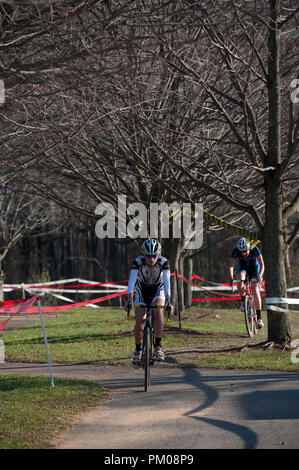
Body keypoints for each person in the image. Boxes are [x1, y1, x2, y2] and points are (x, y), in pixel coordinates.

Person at [126, 238, 172, 367]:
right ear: (143, 254)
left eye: (154, 256)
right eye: (148, 256)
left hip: (158, 289)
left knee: (158, 312)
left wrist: (168, 300)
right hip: (142, 290)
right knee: (139, 319)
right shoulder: (138, 262)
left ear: (158, 254)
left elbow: (167, 283)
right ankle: (137, 350)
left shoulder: (164, 262)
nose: (151, 259)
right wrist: (129, 299)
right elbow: (132, 282)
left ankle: (158, 346)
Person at [228, 237, 265, 328]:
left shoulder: (255, 249)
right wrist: (231, 277)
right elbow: (231, 265)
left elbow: (262, 264)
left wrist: (260, 275)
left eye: (245, 251)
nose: (244, 253)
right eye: (242, 252)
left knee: (255, 290)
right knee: (239, 279)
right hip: (243, 269)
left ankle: (259, 318)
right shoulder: (236, 250)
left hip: (254, 269)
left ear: (249, 248)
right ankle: (243, 300)